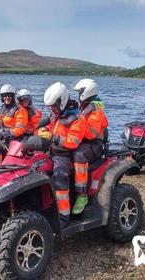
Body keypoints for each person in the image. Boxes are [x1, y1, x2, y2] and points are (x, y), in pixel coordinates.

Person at [38, 82, 86, 228]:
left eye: (54, 105)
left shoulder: (77, 119)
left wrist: (52, 137)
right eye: (50, 106)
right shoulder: (57, 114)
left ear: (62, 101)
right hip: (51, 151)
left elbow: (73, 142)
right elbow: (50, 126)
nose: (52, 109)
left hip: (65, 156)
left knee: (59, 176)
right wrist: (43, 130)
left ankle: (63, 216)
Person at [70, 78, 108, 214]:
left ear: (86, 92)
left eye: (79, 92)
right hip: (83, 141)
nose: (77, 95)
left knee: (79, 155)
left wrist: (75, 124)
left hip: (94, 144)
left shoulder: (96, 109)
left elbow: (91, 133)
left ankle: (81, 194)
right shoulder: (84, 106)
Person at [0, 84, 28, 164]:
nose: (7, 98)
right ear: (2, 97)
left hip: (16, 140)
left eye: (9, 95)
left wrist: (7, 134)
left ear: (13, 96)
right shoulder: (2, 109)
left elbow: (20, 129)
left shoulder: (20, 110)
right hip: (4, 138)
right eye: (4, 95)